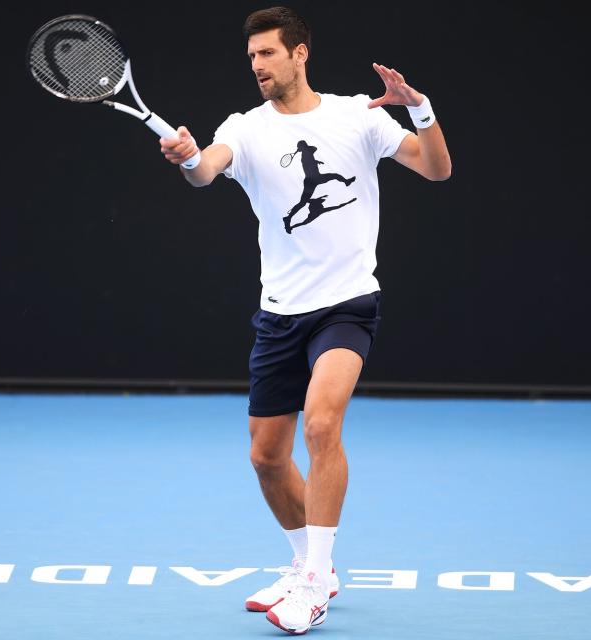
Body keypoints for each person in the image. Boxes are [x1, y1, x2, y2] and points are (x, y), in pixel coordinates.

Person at [159, 6, 451, 635]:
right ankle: (302, 564)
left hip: (347, 303)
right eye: (252, 57)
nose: (258, 66)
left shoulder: (355, 116)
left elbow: (436, 167)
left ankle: (318, 579)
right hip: (279, 313)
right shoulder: (245, 127)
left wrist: (418, 108)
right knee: (267, 456)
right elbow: (207, 170)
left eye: (268, 53)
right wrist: (187, 156)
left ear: (300, 53)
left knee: (321, 424)